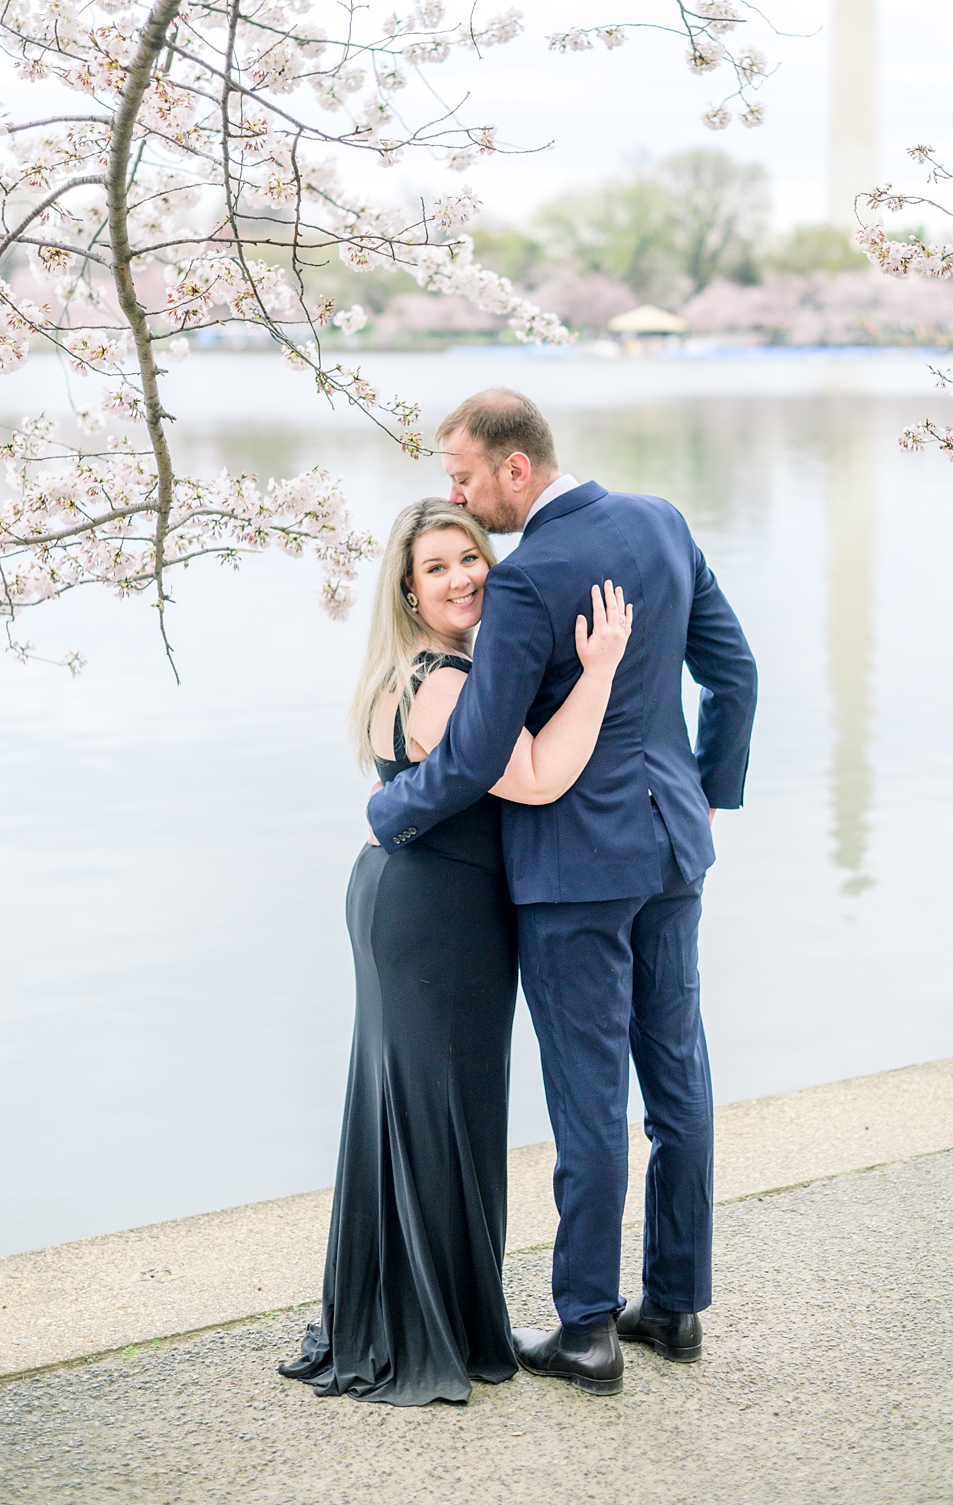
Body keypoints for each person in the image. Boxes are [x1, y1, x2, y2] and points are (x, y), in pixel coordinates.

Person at [366, 389, 757, 1396]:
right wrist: (711, 791)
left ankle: (586, 1325)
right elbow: (737, 673)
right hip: (673, 849)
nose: (455, 492)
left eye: (464, 474)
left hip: (575, 873)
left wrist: (390, 812)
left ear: (516, 469)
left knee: (590, 1097)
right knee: (679, 1079)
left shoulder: (528, 580)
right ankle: (673, 1303)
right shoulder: (663, 522)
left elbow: (475, 753)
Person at [281, 498, 632, 1406]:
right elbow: (542, 779)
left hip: (412, 897)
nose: (462, 577)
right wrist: (598, 674)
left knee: (417, 1110)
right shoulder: (443, 683)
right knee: (440, 1115)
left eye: (470, 557)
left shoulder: (425, 670)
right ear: (407, 587)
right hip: (436, 911)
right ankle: (430, 1324)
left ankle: (410, 1307)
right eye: (435, 568)